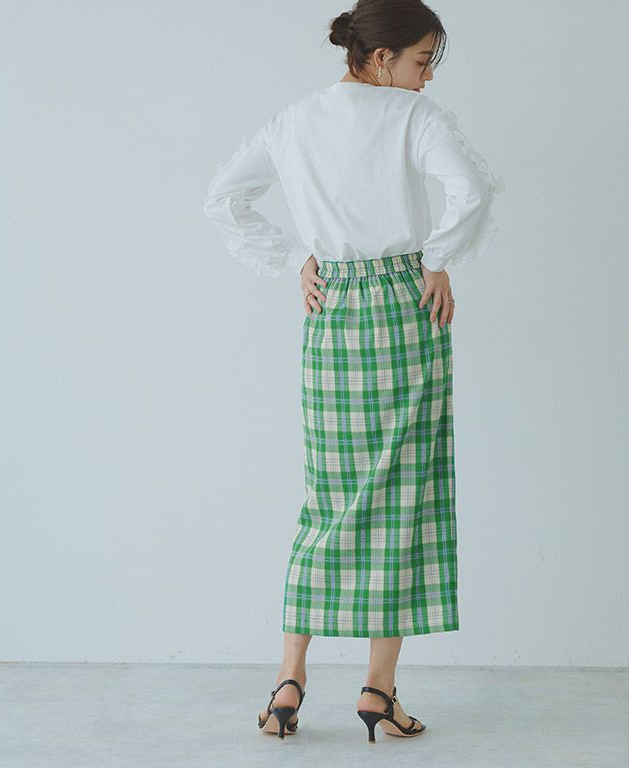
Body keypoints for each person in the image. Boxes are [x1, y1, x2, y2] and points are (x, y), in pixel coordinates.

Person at [203, 0, 505, 743]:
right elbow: (471, 190)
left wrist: (294, 260)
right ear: (380, 57)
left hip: (331, 311)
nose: (427, 79)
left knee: (328, 497)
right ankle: (378, 691)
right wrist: (437, 261)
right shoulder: (413, 118)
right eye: (421, 62)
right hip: (404, 306)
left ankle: (288, 682)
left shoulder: (293, 120)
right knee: (403, 496)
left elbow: (223, 199)